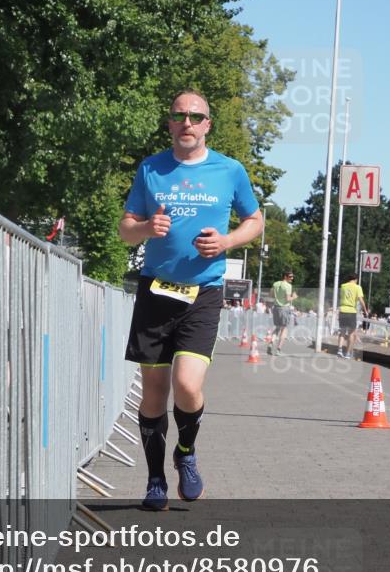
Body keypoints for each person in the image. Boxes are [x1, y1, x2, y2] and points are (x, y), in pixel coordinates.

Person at [119, 89, 263, 509]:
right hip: (155, 292)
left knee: (186, 384)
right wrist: (147, 227)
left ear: (207, 125)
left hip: (204, 293)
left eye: (195, 116)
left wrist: (227, 241)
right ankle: (154, 480)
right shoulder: (151, 169)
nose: (187, 122)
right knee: (153, 393)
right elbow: (126, 228)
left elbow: (254, 220)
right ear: (169, 123)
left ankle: (186, 452)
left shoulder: (229, 170)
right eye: (179, 115)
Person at [337, 273, 368, 359]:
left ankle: (339, 350)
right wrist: (365, 310)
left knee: (342, 331)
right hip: (351, 310)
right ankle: (347, 353)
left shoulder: (343, 286)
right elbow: (361, 300)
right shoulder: (358, 287)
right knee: (351, 333)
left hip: (342, 309)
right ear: (356, 279)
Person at [266, 269, 296, 355]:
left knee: (277, 327)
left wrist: (268, 305)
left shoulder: (275, 284)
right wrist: (294, 297)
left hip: (276, 308)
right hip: (284, 308)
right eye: (290, 277)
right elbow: (287, 299)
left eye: (292, 277)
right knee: (284, 329)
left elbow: (270, 295)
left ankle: (271, 343)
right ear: (285, 276)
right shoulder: (288, 286)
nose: (292, 278)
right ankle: (278, 349)